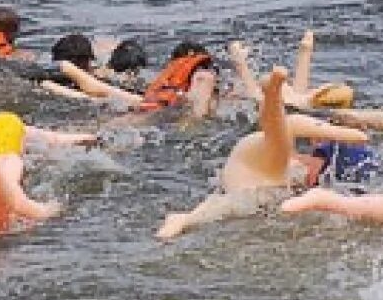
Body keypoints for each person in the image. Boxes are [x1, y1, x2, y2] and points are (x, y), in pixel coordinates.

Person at [158, 69, 372, 240]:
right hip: (253, 168)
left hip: (255, 163)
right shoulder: (296, 144)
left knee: (280, 147)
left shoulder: (300, 145)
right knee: (277, 150)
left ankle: (274, 89)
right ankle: (184, 219)